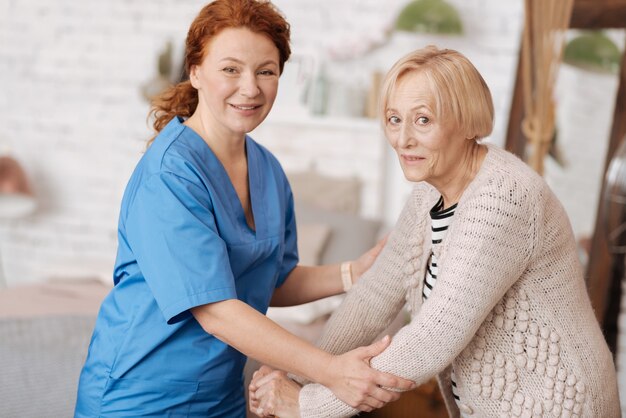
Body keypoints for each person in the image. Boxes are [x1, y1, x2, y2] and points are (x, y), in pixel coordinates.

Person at [73, 1, 416, 416]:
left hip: (220, 399)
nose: (250, 88)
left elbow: (269, 280)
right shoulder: (168, 175)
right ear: (196, 72)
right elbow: (216, 310)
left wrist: (353, 273)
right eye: (231, 69)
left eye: (266, 71)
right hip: (138, 397)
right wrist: (331, 371)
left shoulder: (268, 171)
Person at [249, 46, 621, 418]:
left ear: (466, 119)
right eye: (394, 119)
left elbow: (433, 336)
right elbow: (372, 298)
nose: (403, 139)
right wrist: (303, 376)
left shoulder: (504, 196)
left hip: (558, 406)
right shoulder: (429, 193)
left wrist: (308, 404)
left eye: (423, 120)